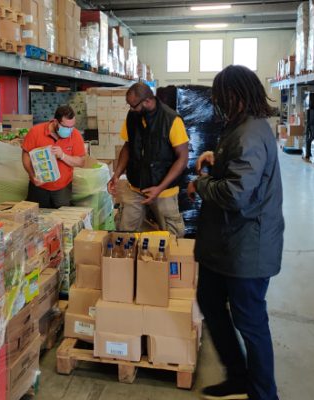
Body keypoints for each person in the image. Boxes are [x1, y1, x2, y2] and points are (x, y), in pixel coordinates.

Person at [188, 65, 284, 400]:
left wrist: (200, 184)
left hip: (247, 246)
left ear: (235, 95)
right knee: (209, 301)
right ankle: (239, 375)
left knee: (251, 321)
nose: (217, 103)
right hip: (227, 243)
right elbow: (239, 169)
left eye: (220, 96)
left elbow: (235, 194)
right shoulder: (241, 128)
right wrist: (217, 158)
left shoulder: (250, 133)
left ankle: (263, 393)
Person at [107, 83, 189, 237]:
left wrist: (160, 188)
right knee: (124, 235)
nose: (131, 110)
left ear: (147, 101)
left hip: (164, 191)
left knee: (174, 238)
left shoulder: (171, 120)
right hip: (136, 187)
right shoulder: (133, 117)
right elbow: (127, 146)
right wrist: (116, 174)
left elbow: (182, 159)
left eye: (133, 106)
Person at [21, 105, 86, 208]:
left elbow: (81, 162)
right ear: (55, 122)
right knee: (37, 217)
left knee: (62, 219)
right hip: (39, 186)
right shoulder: (36, 132)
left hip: (63, 188)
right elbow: (26, 155)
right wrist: (32, 175)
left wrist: (63, 156)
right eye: (66, 127)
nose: (69, 130)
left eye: (72, 126)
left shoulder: (76, 135)